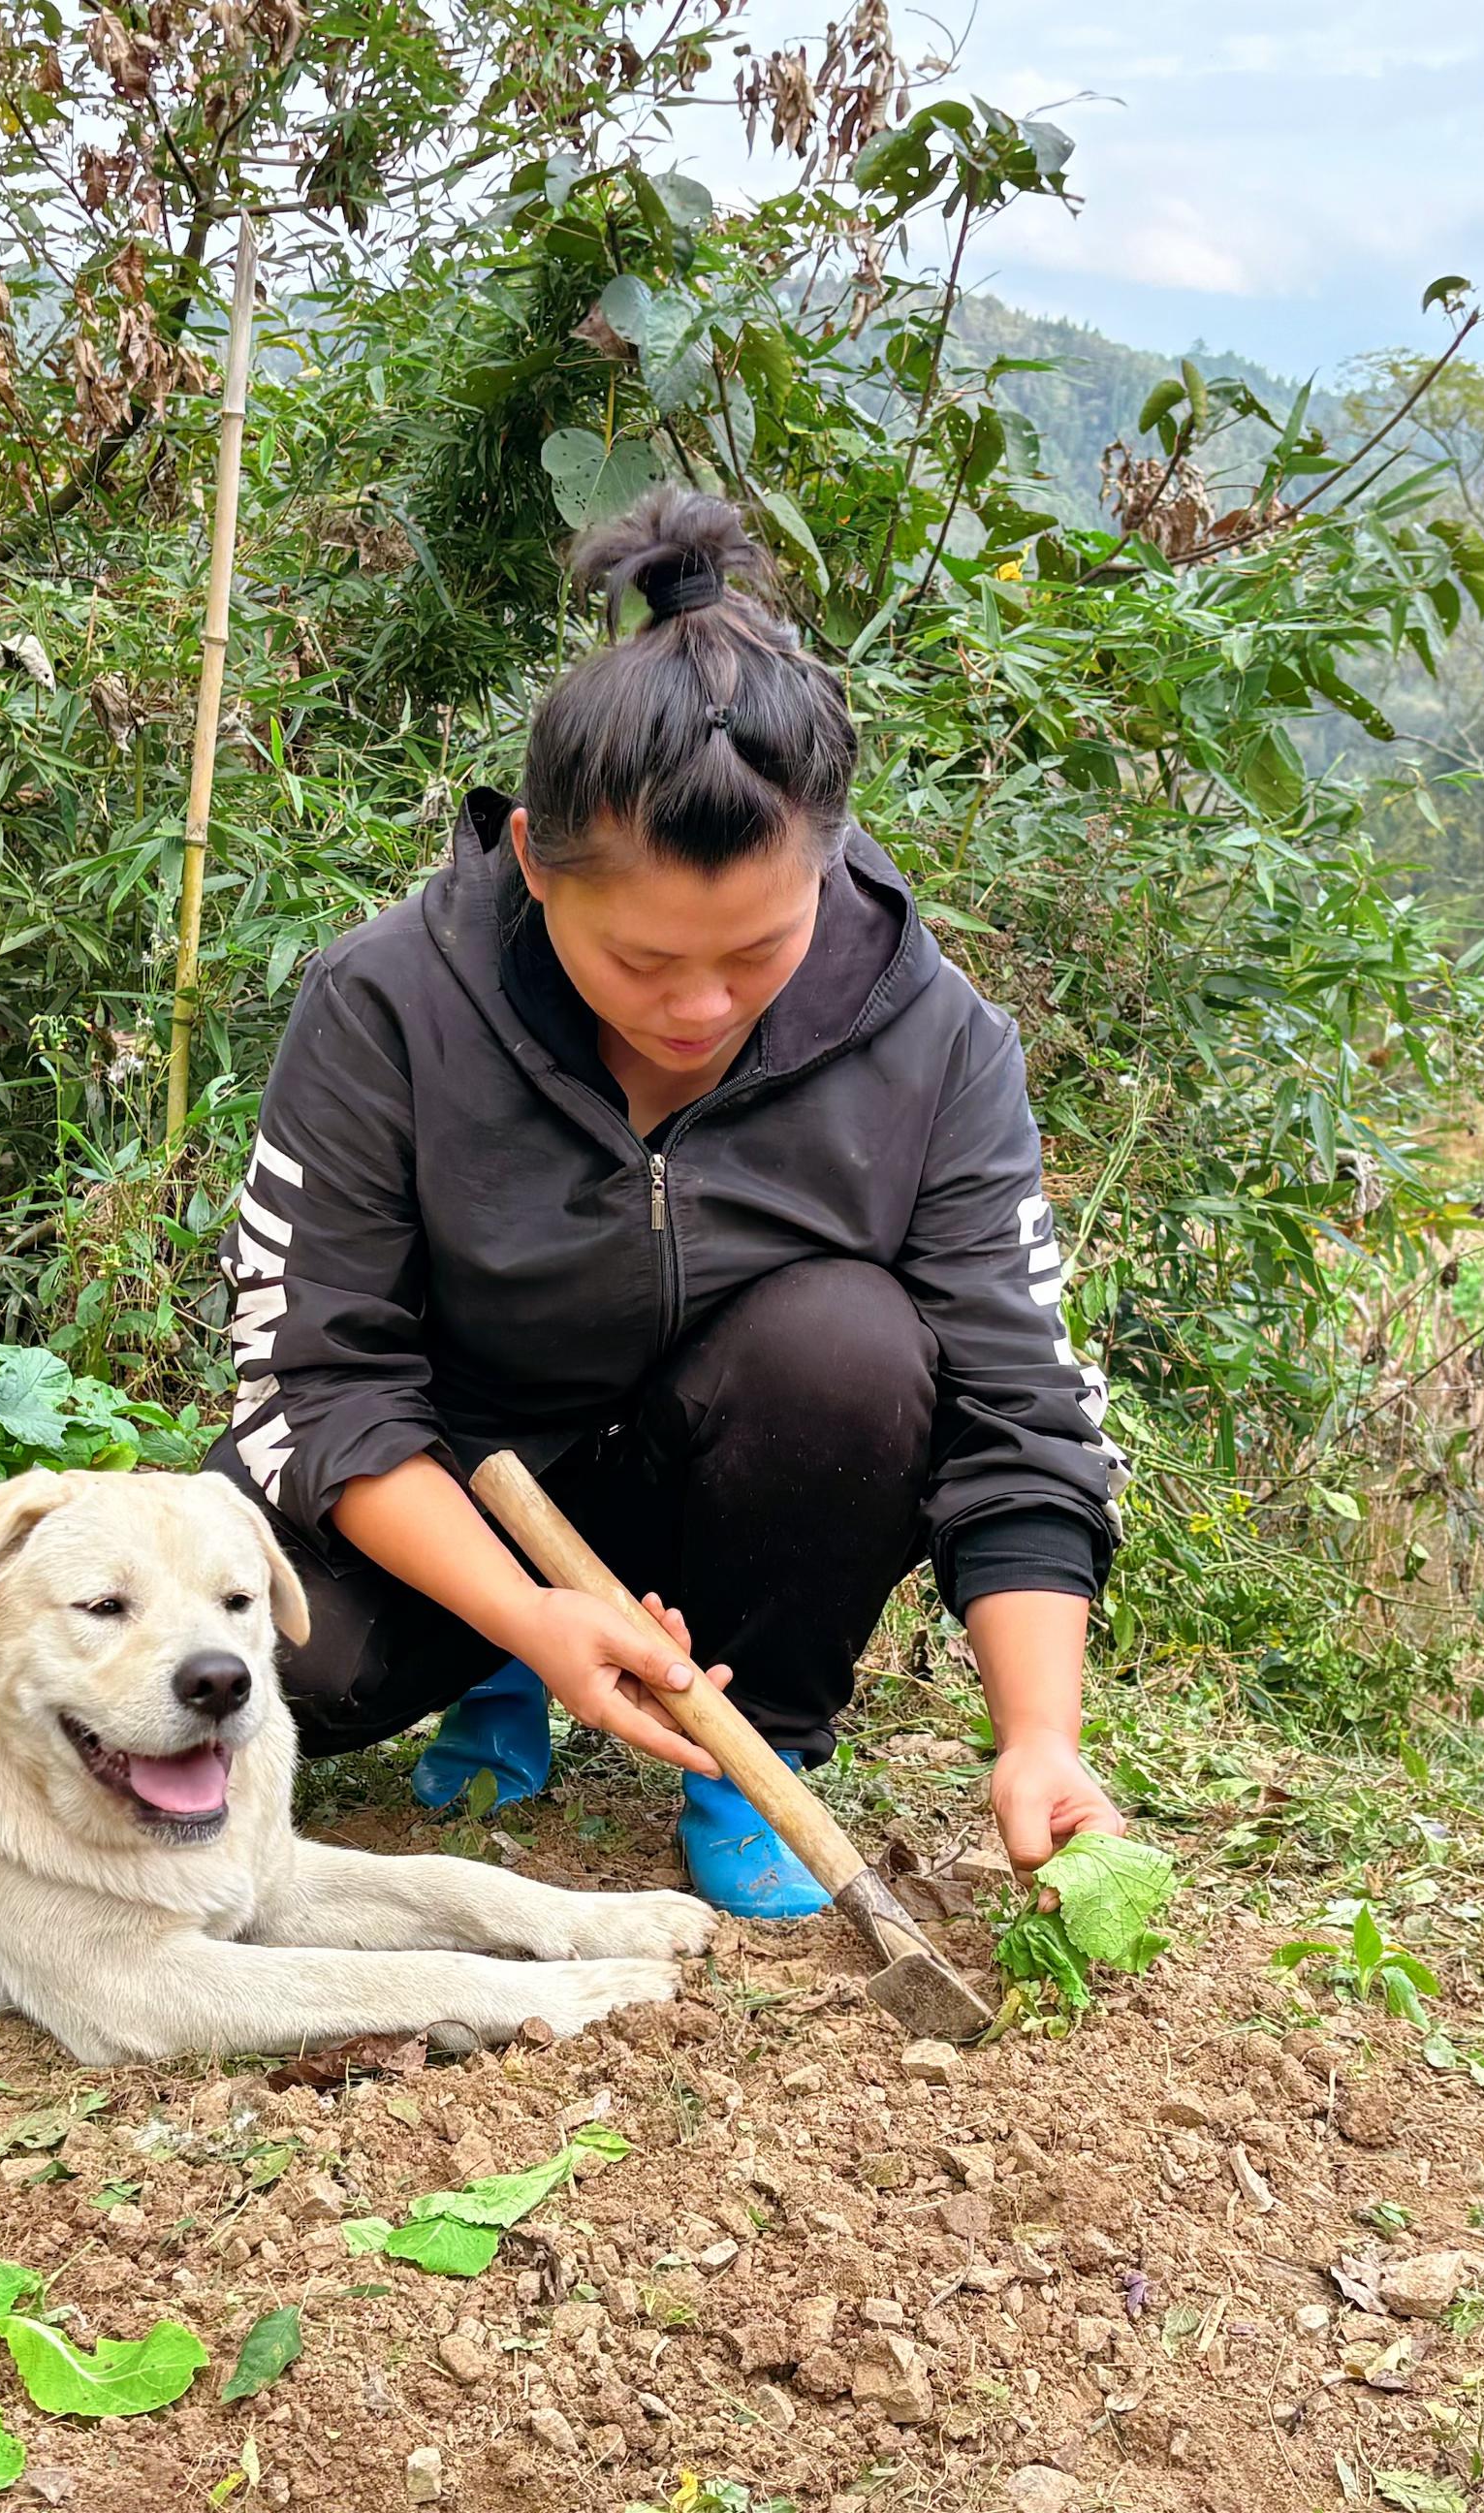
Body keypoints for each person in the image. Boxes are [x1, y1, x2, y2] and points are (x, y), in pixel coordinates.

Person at [211, 487, 1129, 1916]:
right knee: (285, 1665)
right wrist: (527, 1608)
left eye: (757, 953)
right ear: (531, 859)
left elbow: (1021, 1410)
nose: (698, 1009)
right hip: (463, 1490)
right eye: (641, 961)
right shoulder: (387, 1003)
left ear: (826, 867)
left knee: (854, 1345)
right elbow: (321, 1374)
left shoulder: (937, 1041)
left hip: (727, 1480)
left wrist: (1041, 1737)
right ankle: (509, 1661)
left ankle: (752, 1735)